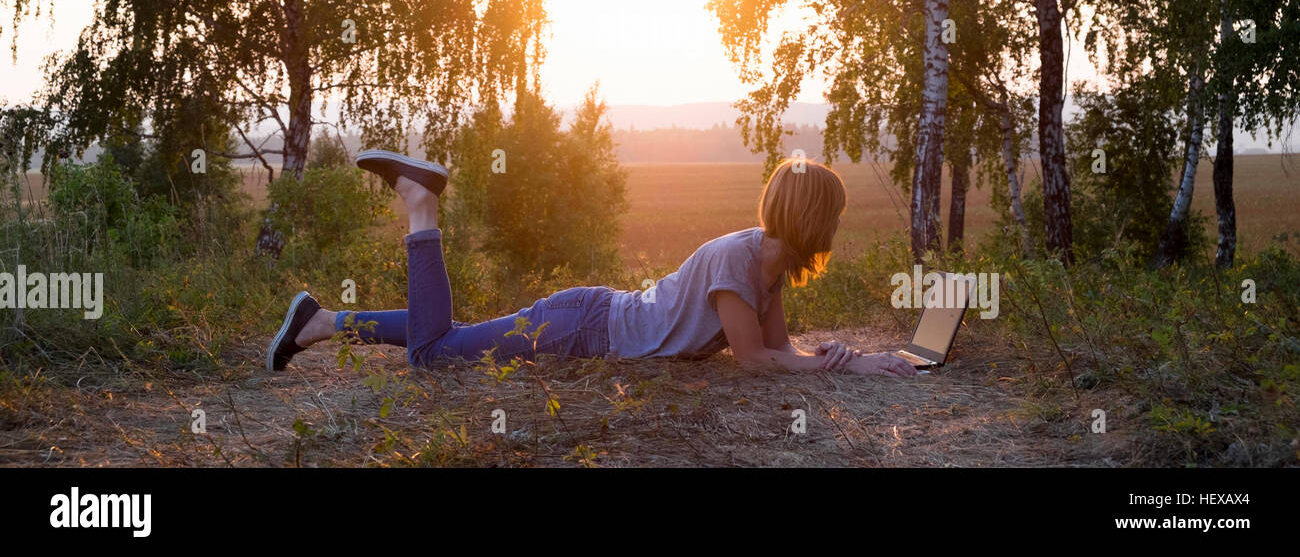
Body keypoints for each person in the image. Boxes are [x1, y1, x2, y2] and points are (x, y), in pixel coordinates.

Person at [267, 151, 917, 377]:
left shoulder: (765, 265)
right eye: (830, 215)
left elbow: (779, 352)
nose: (834, 226)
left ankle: (321, 320)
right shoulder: (737, 261)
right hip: (583, 327)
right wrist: (853, 365)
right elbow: (754, 362)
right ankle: (421, 204)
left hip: (588, 319)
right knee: (435, 355)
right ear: (811, 218)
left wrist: (831, 357)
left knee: (450, 338)